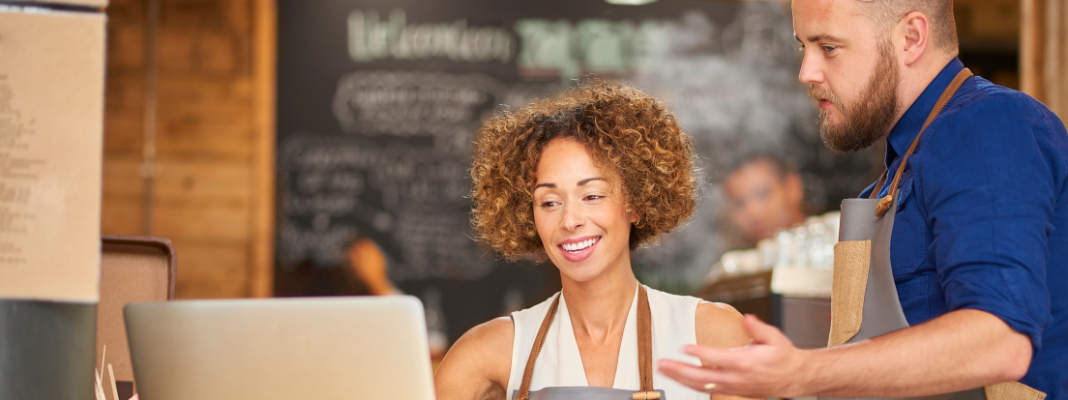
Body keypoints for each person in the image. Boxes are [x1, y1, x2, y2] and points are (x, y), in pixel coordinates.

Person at [658, 0, 1067, 399]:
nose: (807, 72)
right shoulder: (894, 173)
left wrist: (804, 373)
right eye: (804, 47)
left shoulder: (984, 126)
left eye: (828, 48)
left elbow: (999, 341)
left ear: (911, 37)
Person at [433, 81, 755, 400]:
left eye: (592, 195)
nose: (570, 220)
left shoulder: (714, 336)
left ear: (636, 204)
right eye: (549, 202)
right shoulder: (486, 354)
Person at [722, 153, 806, 246]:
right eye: (739, 204)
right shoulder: (737, 259)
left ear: (792, 187)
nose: (753, 212)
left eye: (762, 194)